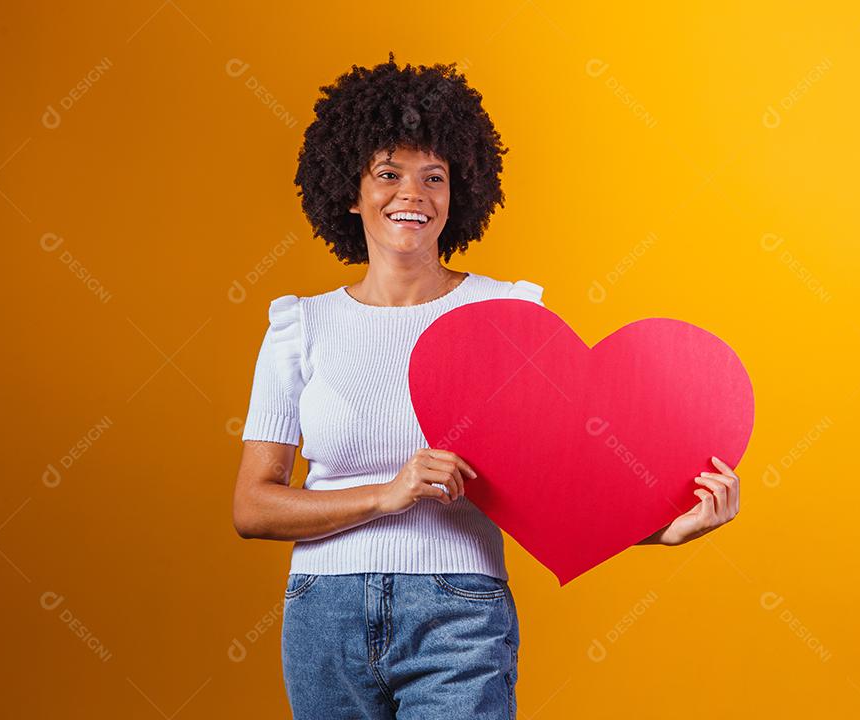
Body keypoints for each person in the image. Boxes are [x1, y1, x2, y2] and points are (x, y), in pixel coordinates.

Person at [232, 52, 740, 719]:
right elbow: (253, 506)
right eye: (388, 173)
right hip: (323, 614)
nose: (411, 194)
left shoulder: (510, 318)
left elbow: (564, 484)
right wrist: (389, 494)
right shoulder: (300, 326)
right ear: (349, 191)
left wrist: (665, 528)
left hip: (458, 611)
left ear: (459, 191)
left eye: (433, 176)